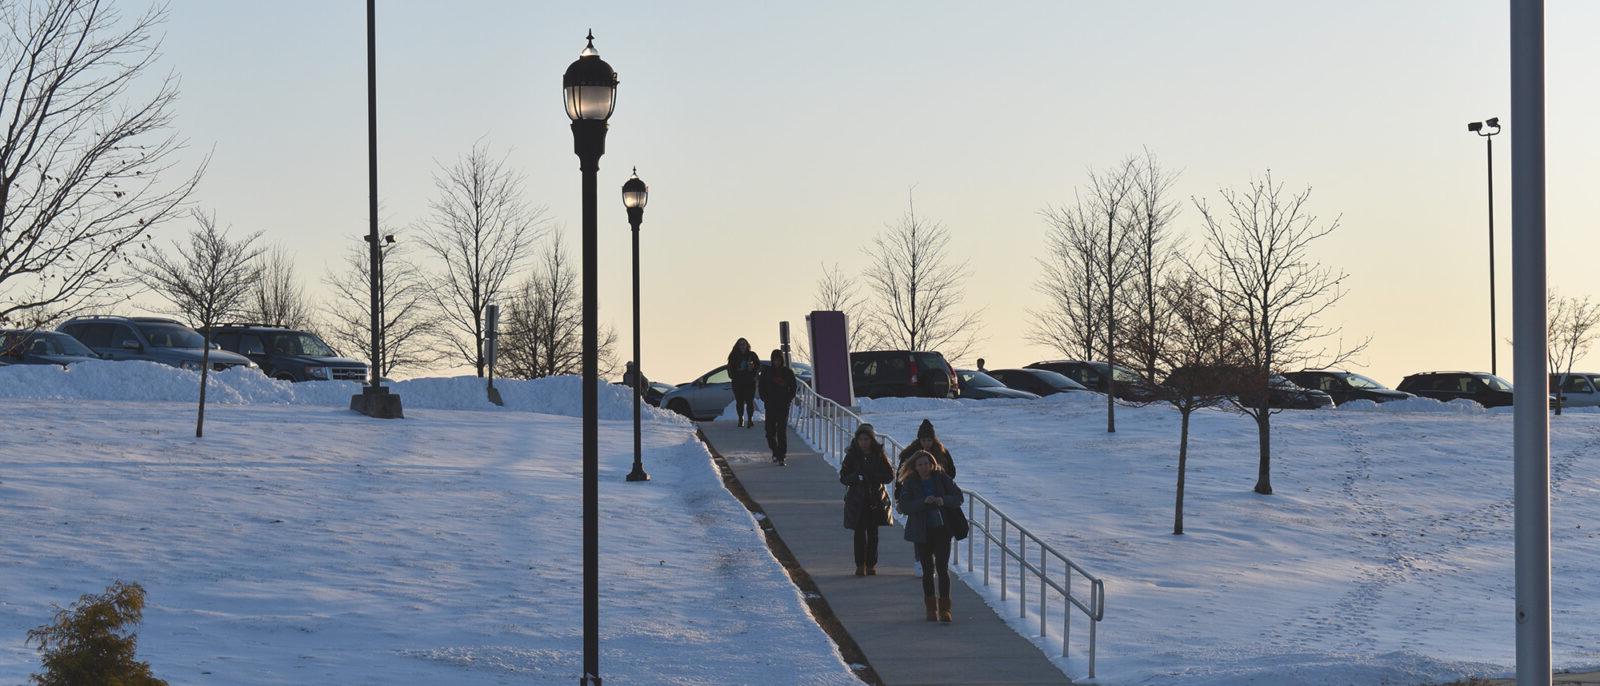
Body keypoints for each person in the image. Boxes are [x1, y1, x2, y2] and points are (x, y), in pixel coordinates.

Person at [897, 449, 963, 622]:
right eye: (920, 465)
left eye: (927, 463)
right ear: (915, 467)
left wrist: (943, 500)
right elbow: (904, 506)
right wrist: (923, 502)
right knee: (927, 570)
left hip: (942, 529)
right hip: (921, 531)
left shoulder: (942, 478)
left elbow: (958, 497)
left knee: (942, 568)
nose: (925, 467)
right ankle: (931, 609)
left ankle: (945, 609)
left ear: (932, 463)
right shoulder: (910, 482)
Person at [840, 423, 894, 576]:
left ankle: (871, 564)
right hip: (857, 499)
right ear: (857, 440)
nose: (864, 442)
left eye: (867, 439)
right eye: (861, 439)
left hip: (875, 499)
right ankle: (859, 564)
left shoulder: (879, 454)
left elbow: (889, 475)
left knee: (873, 533)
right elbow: (843, 477)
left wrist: (873, 477)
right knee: (858, 533)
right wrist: (856, 477)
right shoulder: (852, 455)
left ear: (872, 440)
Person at [758, 349, 797, 464]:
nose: (776, 362)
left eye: (778, 359)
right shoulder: (767, 372)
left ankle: (781, 455)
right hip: (770, 406)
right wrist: (765, 399)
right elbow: (761, 387)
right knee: (769, 432)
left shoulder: (788, 372)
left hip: (783, 406)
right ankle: (775, 451)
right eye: (774, 360)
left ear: (782, 360)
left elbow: (793, 388)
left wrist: (788, 399)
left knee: (781, 431)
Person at [727, 338, 760, 427]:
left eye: (744, 344)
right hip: (738, 383)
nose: (742, 346)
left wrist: (752, 369)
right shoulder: (733, 356)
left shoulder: (752, 355)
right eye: (740, 344)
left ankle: (750, 419)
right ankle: (740, 419)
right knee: (739, 402)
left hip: (750, 382)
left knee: (750, 401)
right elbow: (730, 370)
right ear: (737, 346)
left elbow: (758, 366)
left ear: (747, 345)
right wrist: (736, 375)